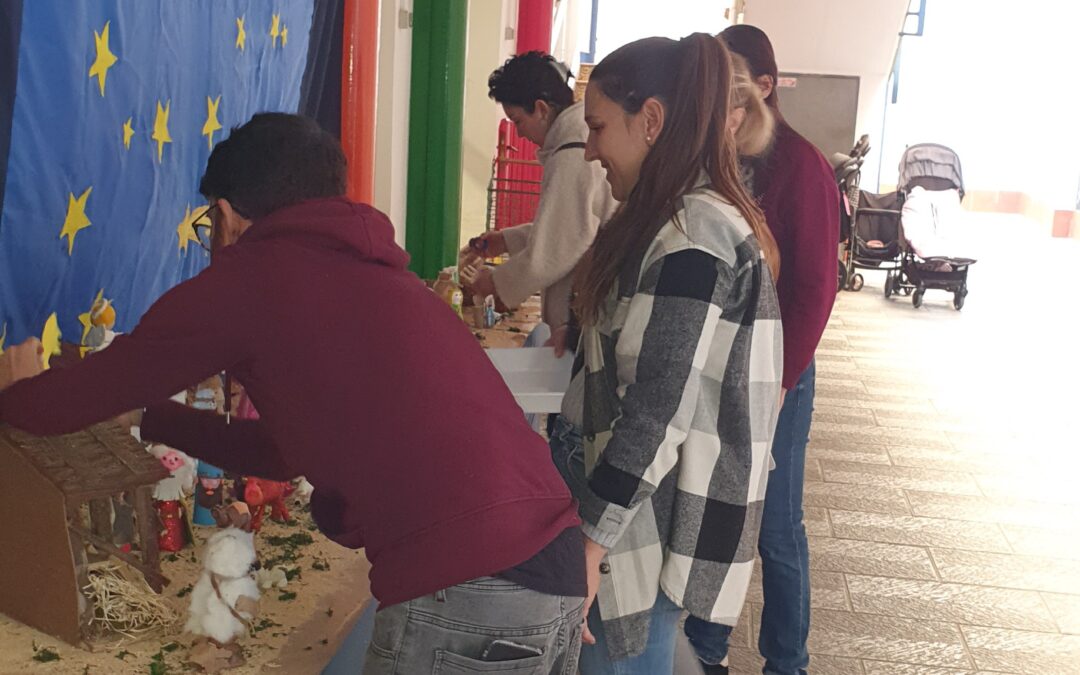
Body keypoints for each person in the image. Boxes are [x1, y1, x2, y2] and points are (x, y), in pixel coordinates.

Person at [0, 113, 587, 673]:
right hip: (554, 572)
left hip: (470, 586)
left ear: (226, 215)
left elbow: (83, 390)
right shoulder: (378, 273)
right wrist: (151, 417)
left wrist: (15, 391)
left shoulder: (253, 278)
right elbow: (283, 454)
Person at [567, 34, 784, 674]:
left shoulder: (693, 237)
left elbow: (656, 412)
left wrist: (590, 540)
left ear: (652, 120)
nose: (591, 148)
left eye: (599, 126)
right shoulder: (670, 220)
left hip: (643, 524)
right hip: (635, 515)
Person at [683, 24, 841, 675]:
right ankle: (704, 649)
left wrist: (783, 377)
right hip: (723, 363)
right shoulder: (712, 151)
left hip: (780, 375)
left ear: (766, 87)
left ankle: (788, 659)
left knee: (774, 526)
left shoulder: (800, 164)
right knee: (716, 513)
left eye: (736, 82)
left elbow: (814, 286)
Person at [463, 51, 616, 350]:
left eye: (518, 121)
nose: (518, 133)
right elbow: (572, 227)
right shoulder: (575, 140)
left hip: (582, 317)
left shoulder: (573, 153)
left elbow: (558, 246)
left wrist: (495, 285)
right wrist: (506, 240)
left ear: (542, 109)